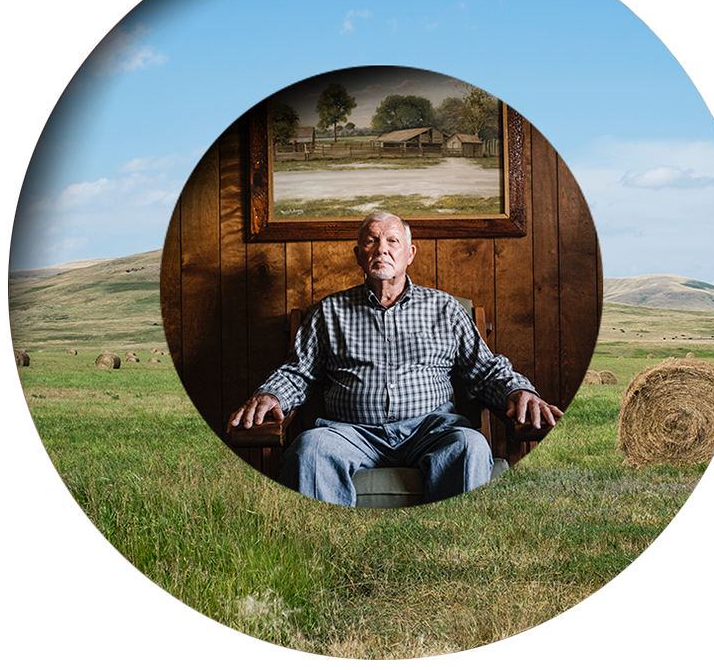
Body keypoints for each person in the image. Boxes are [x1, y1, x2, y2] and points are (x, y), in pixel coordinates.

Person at [227, 211, 562, 506]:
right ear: (359, 255)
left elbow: (485, 371)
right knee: (309, 449)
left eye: (392, 241)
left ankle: (455, 560)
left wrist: (519, 392)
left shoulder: (445, 309)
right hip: (350, 432)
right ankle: (324, 561)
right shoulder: (329, 312)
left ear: (409, 253)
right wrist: (271, 395)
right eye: (371, 241)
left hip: (431, 429)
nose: (382, 249)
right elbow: (298, 373)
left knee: (469, 444)